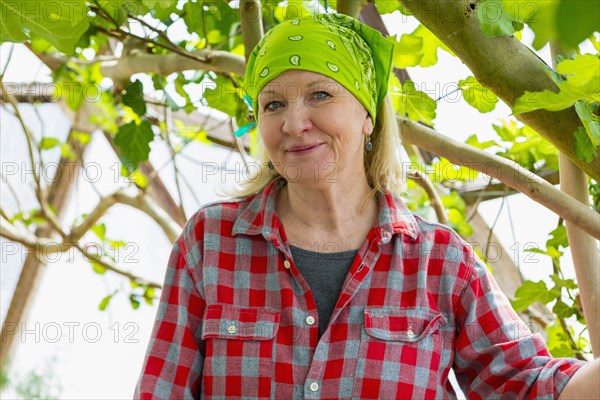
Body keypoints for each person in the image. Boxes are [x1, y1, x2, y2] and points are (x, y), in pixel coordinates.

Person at [135, 13, 599, 399]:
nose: (295, 123)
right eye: (273, 105)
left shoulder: (440, 261)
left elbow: (527, 384)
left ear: (367, 116)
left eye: (320, 95)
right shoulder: (210, 243)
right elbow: (161, 389)